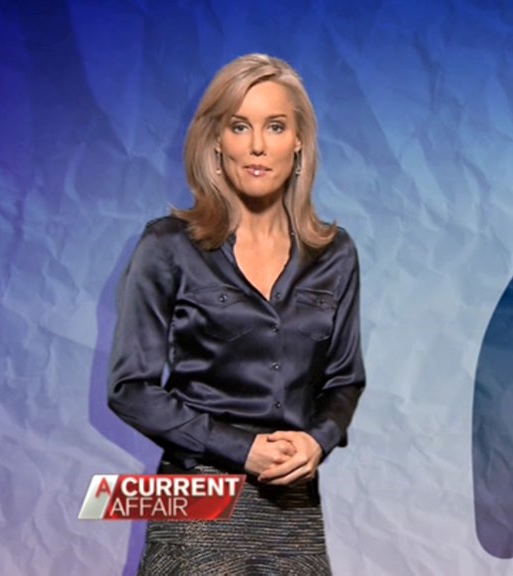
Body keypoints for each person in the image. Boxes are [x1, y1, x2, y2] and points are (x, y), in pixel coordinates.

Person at [108, 53, 365, 575]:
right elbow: (130, 388)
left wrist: (317, 440)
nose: (257, 145)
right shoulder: (167, 246)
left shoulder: (335, 254)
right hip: (194, 501)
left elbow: (345, 380)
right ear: (216, 142)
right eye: (239, 126)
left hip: (294, 509)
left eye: (275, 126)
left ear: (298, 141)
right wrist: (240, 449)